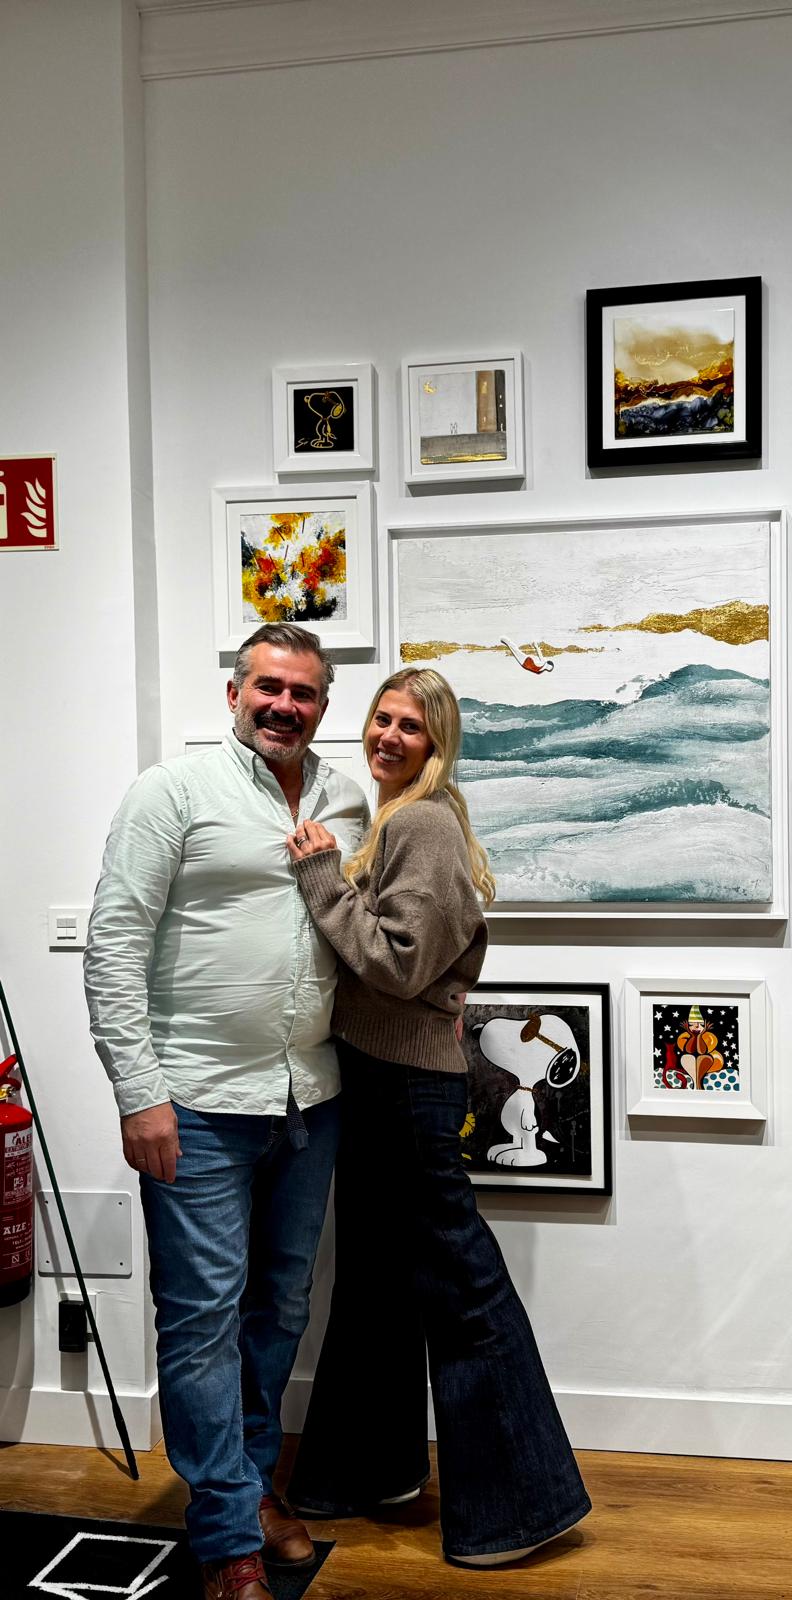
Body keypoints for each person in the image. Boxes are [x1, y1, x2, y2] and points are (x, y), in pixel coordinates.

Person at [280, 666, 590, 1567]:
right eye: (381, 718)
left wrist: (319, 877)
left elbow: (402, 964)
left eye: (409, 726)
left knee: (462, 1286)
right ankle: (366, 1473)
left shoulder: (419, 820)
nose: (388, 736)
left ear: (436, 743)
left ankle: (523, 1504)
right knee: (376, 1282)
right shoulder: (398, 818)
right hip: (378, 1078)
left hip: (411, 1087)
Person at [84, 623, 368, 1600]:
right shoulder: (173, 792)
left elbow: (356, 930)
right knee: (200, 1318)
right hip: (195, 1103)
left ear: (323, 705)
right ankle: (225, 1539)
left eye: (304, 693)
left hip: (309, 1096)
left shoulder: (346, 799)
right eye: (268, 687)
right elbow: (113, 942)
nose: (284, 705)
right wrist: (139, 1091)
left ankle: (248, 1488)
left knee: (277, 1308)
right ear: (235, 692)